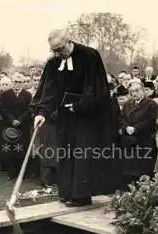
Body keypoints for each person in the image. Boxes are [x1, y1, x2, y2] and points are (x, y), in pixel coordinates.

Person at [32, 29, 121, 206]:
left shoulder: (89, 56)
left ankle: (81, 195)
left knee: (82, 155)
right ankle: (67, 193)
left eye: (60, 49)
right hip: (65, 117)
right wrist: (42, 113)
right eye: (54, 50)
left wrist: (79, 106)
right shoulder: (54, 63)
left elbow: (96, 88)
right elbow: (49, 90)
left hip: (86, 117)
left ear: (69, 41)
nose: (57, 54)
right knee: (66, 153)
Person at [119, 81, 158, 188]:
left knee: (142, 172)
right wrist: (126, 127)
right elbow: (122, 118)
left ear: (143, 90)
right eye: (132, 91)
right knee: (129, 171)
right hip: (129, 141)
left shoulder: (151, 104)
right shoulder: (128, 104)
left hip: (143, 141)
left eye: (137, 90)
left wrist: (135, 129)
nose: (134, 93)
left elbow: (150, 121)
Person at [0, 73, 33, 180]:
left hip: (23, 126)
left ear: (23, 83)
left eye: (19, 82)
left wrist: (20, 120)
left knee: (21, 149)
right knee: (10, 149)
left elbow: (29, 109)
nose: (17, 84)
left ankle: (21, 172)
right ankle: (11, 172)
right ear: (12, 82)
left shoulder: (27, 95)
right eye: (15, 82)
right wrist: (12, 120)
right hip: (9, 126)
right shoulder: (5, 94)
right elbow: (2, 108)